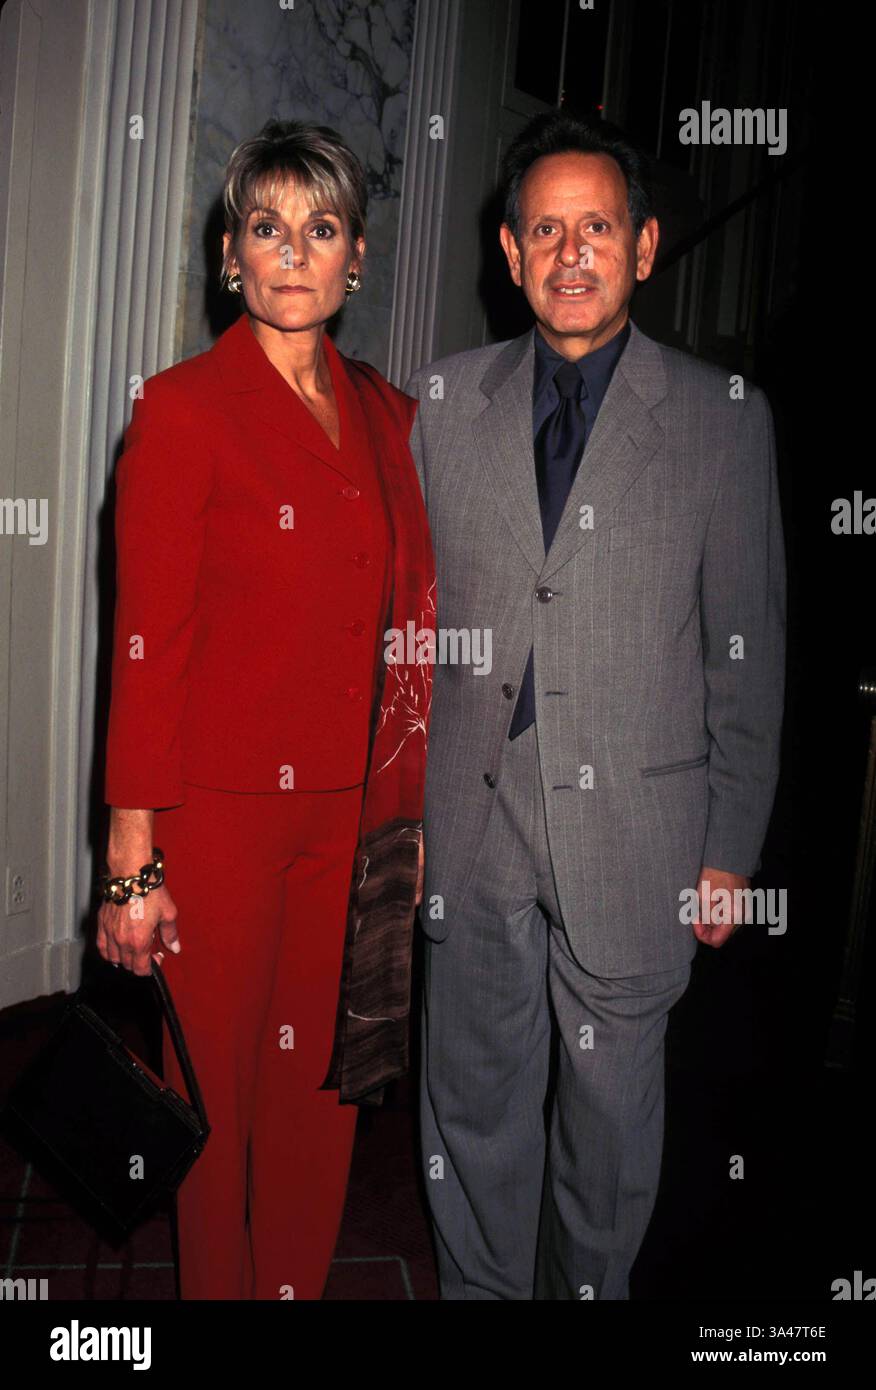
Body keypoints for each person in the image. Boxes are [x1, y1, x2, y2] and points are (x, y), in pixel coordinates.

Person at [404, 110, 785, 1300]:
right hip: (470, 821)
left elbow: (750, 647)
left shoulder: (725, 419)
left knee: (610, 1136)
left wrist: (730, 849)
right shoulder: (442, 404)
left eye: (600, 228)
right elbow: (406, 631)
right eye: (547, 230)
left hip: (639, 833)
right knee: (472, 1109)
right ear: (510, 254)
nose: (573, 253)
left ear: (647, 245)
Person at [96, 119, 434, 1300]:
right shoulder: (184, 410)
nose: (295, 250)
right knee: (212, 1104)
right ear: (230, 256)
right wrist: (133, 858)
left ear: (355, 258)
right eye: (267, 226)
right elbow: (147, 646)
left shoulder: (388, 416)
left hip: (345, 823)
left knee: (317, 1097)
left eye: (322, 227)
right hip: (221, 819)